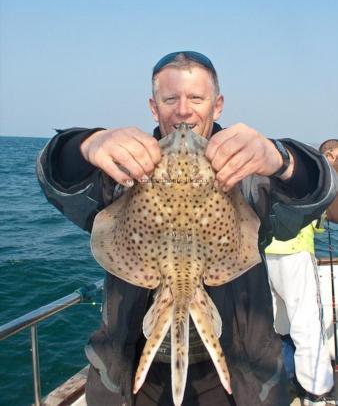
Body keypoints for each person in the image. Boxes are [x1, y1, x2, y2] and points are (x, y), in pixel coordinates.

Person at [36, 51, 338, 406]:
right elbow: (56, 177)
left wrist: (281, 159)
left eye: (196, 97)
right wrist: (87, 143)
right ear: (154, 107)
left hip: (239, 383)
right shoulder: (121, 172)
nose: (183, 111)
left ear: (218, 105)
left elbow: (321, 195)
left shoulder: (249, 176)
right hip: (131, 381)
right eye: (170, 99)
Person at [265, 224, 335, 405]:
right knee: (307, 326)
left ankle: (285, 382)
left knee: (277, 325)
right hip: (296, 247)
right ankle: (318, 393)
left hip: (263, 248)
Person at [315, 140, 338, 259]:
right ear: (330, 156)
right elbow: (319, 227)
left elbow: (319, 227)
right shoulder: (321, 184)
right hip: (296, 252)